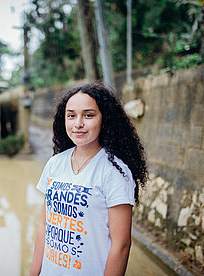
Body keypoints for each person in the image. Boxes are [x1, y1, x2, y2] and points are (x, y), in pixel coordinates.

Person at [30, 82, 148, 276]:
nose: (78, 123)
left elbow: (121, 245)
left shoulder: (115, 172)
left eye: (88, 115)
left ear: (104, 119)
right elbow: (44, 226)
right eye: (71, 115)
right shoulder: (54, 164)